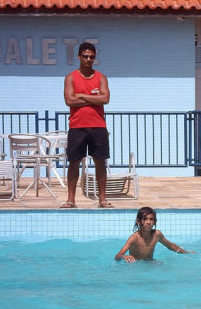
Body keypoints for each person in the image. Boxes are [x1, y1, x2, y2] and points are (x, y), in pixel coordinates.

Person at [62, 42, 112, 209]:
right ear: (79, 57)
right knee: (74, 162)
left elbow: (105, 99)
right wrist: (93, 98)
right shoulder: (70, 77)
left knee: (100, 162)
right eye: (85, 56)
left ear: (94, 58)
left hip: (98, 126)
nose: (88, 59)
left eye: (91, 56)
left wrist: (82, 95)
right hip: (77, 126)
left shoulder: (101, 78)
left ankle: (102, 199)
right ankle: (71, 199)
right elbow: (69, 100)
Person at [115, 206, 193, 262]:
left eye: (151, 219)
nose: (148, 222)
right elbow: (117, 256)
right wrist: (124, 256)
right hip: (137, 265)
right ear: (138, 221)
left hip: (150, 263)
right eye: (145, 219)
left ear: (155, 221)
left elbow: (171, 246)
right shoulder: (134, 238)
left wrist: (187, 253)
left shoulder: (157, 235)